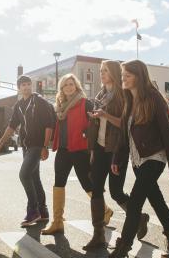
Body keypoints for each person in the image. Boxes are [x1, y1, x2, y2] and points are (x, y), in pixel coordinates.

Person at [109, 59, 169, 257]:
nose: (123, 78)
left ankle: (123, 247)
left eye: (128, 74)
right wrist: (117, 159)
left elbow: (166, 132)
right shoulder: (128, 100)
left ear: (139, 76)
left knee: (134, 204)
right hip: (137, 160)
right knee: (156, 200)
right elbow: (124, 136)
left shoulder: (153, 98)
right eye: (123, 74)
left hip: (154, 157)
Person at [82, 60, 150, 250]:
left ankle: (139, 217)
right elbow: (98, 124)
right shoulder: (100, 95)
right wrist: (92, 148)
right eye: (100, 71)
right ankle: (98, 236)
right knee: (96, 190)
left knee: (116, 191)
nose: (101, 74)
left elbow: (125, 124)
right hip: (100, 148)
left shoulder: (123, 95)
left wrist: (105, 115)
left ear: (113, 72)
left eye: (105, 71)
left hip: (116, 150)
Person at [42, 74, 111, 235]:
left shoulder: (85, 103)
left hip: (80, 149)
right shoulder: (60, 106)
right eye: (66, 85)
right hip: (63, 149)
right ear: (62, 89)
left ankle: (106, 211)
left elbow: (94, 125)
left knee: (87, 184)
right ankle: (57, 221)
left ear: (77, 86)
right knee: (58, 182)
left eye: (71, 84)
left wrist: (92, 146)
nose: (69, 87)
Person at [0, 75, 55, 227]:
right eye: (23, 85)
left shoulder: (40, 102)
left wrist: (45, 146)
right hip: (26, 147)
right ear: (18, 88)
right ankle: (43, 212)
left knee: (24, 174)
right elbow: (12, 126)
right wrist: (1, 142)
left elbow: (49, 125)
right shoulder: (18, 105)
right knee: (34, 178)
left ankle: (33, 210)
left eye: (28, 84)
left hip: (37, 145)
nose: (26, 87)